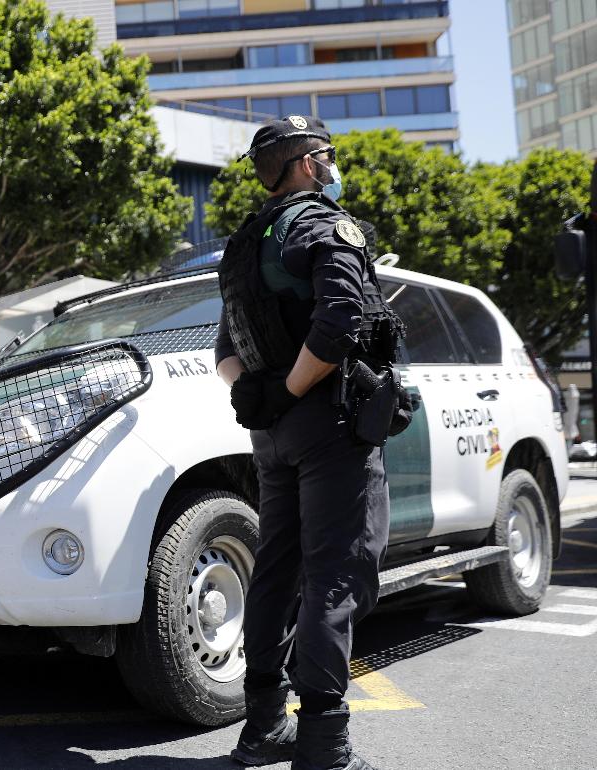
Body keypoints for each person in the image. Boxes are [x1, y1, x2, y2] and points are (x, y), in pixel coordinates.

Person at [215, 117, 399, 770]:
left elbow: (225, 353)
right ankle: (326, 749)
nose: (334, 167)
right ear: (307, 164)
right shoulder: (323, 223)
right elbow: (342, 318)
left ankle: (264, 725)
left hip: (275, 437)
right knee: (336, 576)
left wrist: (265, 399)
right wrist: (294, 390)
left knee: (276, 573)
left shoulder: (244, 243)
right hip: (328, 424)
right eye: (328, 157)